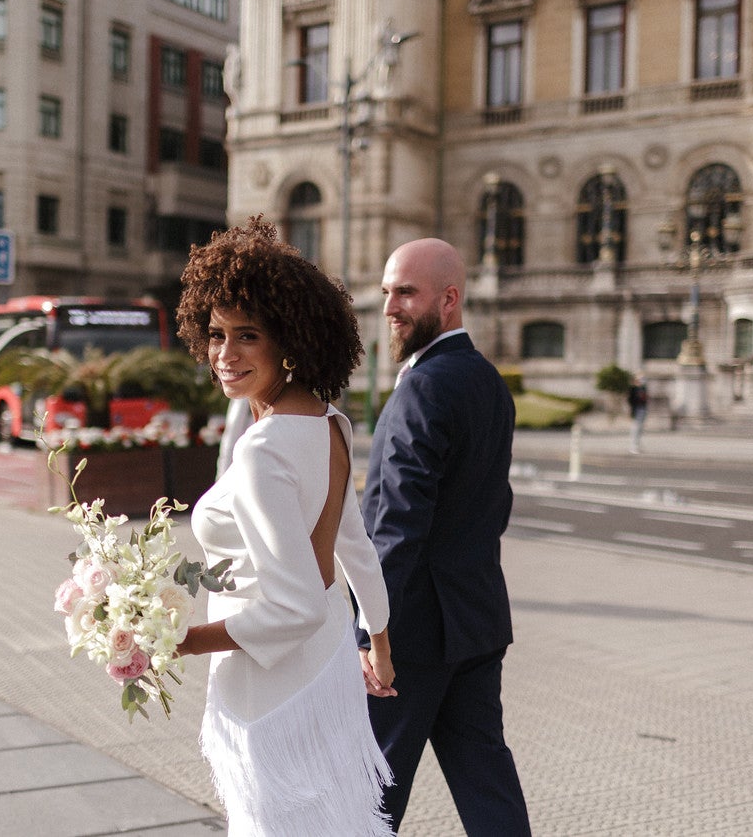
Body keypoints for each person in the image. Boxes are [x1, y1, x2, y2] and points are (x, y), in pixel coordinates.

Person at [175, 217, 397, 836]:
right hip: (325, 670)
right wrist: (378, 646)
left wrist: (183, 640)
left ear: (289, 339)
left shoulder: (267, 449)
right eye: (216, 335)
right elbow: (355, 546)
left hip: (270, 688)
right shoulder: (328, 422)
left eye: (247, 336)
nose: (225, 354)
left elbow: (293, 606)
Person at [360, 237, 532, 835]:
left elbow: (398, 523)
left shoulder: (424, 387)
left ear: (450, 300)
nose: (390, 307)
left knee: (369, 795)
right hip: (476, 621)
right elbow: (492, 506)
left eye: (405, 292)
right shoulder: (488, 381)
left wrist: (369, 633)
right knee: (487, 782)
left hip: (411, 639)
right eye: (387, 292)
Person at [628, 372, 649, 453]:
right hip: (636, 410)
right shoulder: (633, 389)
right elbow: (631, 400)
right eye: (641, 378)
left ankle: (638, 444)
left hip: (642, 409)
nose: (642, 380)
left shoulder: (643, 388)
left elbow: (645, 399)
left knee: (640, 428)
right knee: (635, 428)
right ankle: (633, 446)